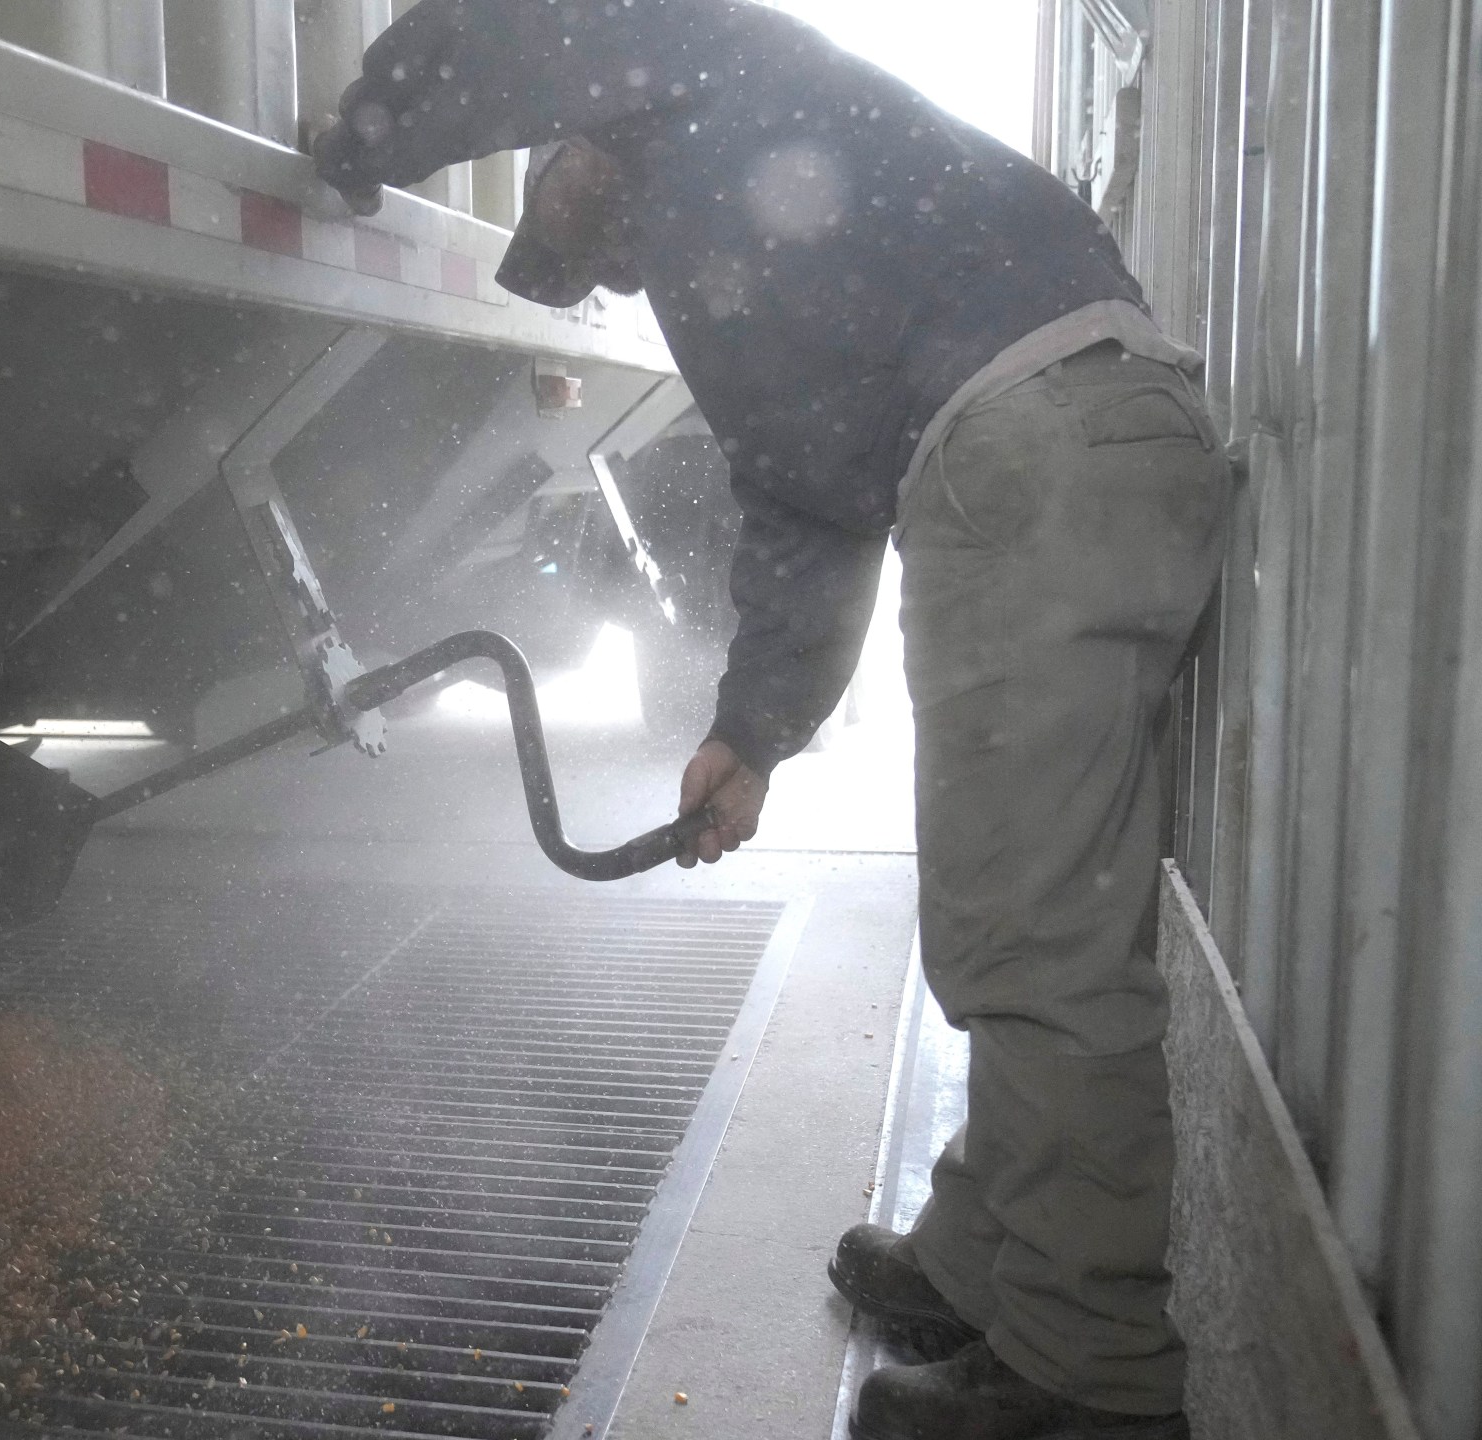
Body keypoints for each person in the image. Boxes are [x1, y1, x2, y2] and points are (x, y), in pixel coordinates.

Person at [312, 4, 1233, 1438]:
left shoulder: (699, 72)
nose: (605, 257)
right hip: (1093, 436)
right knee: (1031, 898)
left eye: (580, 220)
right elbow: (807, 507)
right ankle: (986, 1257)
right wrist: (753, 737)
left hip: (1032, 450)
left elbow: (518, 20)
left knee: (1036, 941)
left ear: (583, 142)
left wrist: (375, 127)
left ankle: (1093, 1379)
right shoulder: (757, 238)